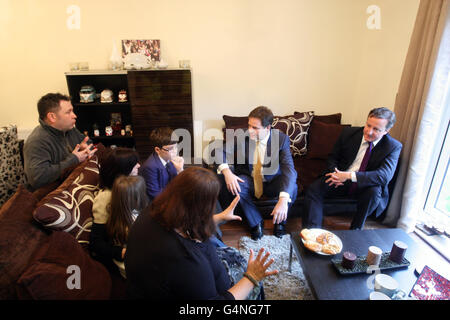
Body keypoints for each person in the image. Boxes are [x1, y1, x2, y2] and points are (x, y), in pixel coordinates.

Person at [125, 167, 278, 300]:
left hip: (157, 284)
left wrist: (219, 217)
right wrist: (252, 277)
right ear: (201, 207)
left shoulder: (153, 211)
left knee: (232, 255)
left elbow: (185, 222)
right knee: (256, 285)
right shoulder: (185, 260)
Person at [302, 107, 402, 230]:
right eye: (368, 125)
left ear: (386, 130)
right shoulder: (348, 133)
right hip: (339, 178)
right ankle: (312, 232)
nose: (369, 132)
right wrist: (335, 173)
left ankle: (355, 230)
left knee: (374, 192)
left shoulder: (393, 147)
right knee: (314, 189)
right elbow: (333, 157)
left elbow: (384, 176)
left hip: (364, 185)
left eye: (376, 129)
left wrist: (348, 176)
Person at [216, 106, 298, 240]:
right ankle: (255, 222)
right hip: (250, 179)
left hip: (272, 181)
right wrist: (227, 172)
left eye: (255, 128)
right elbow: (220, 151)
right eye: (249, 125)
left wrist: (283, 199)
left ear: (268, 128)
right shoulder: (243, 135)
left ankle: (280, 223)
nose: (250, 130)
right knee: (238, 184)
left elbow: (289, 169)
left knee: (292, 187)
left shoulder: (281, 139)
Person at [24, 93, 97, 191]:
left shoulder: (69, 129)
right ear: (52, 117)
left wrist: (87, 149)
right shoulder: (36, 142)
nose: (74, 116)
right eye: (68, 112)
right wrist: (74, 159)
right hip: (49, 196)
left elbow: (89, 144)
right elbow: (38, 178)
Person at [90, 147, 141, 271]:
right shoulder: (105, 199)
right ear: (122, 171)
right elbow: (96, 242)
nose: (139, 166)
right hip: (128, 254)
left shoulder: (131, 187)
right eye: (134, 164)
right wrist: (121, 252)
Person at [90, 175, 148, 278]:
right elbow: (96, 243)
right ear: (134, 199)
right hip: (130, 264)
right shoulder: (125, 223)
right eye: (141, 194)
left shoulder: (126, 212)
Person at [140, 127, 184, 201]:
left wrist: (180, 170)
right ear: (157, 150)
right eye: (170, 149)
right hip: (160, 203)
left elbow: (176, 182)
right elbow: (155, 195)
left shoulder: (169, 159)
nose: (175, 151)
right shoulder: (150, 167)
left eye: (176, 147)